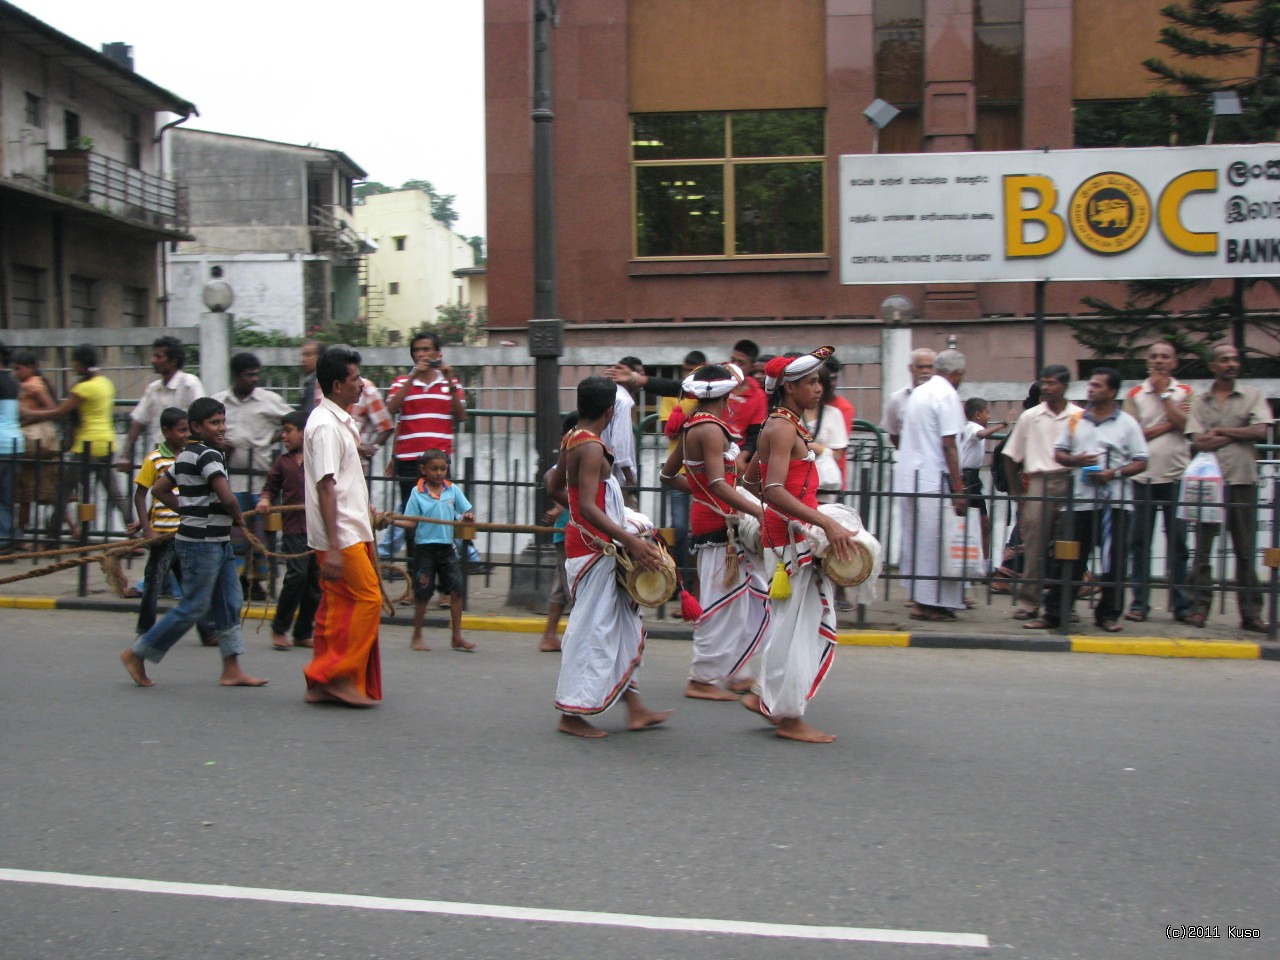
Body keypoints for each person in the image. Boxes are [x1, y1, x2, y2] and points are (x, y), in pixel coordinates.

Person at [741, 347, 856, 744]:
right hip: (791, 541)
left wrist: (805, 515)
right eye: (811, 382)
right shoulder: (784, 427)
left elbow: (751, 482)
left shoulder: (780, 423)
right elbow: (771, 489)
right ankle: (787, 716)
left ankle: (768, 698)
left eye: (819, 380)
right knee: (796, 630)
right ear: (789, 388)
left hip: (788, 534)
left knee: (790, 626)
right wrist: (823, 520)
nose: (819, 388)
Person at [547, 376, 671, 738]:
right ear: (611, 410)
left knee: (622, 628)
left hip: (594, 544)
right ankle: (571, 715)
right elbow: (586, 505)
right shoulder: (590, 448)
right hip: (595, 549)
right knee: (593, 633)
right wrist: (629, 541)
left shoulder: (571, 438)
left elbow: (555, 487)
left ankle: (635, 709)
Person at [118, 397, 268, 689]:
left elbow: (160, 489)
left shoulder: (186, 455)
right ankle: (138, 653)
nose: (221, 428)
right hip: (203, 544)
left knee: (230, 601)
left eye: (223, 422)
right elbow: (226, 496)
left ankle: (231, 667)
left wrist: (188, 510)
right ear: (197, 427)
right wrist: (238, 518)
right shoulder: (210, 456)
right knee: (194, 606)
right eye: (214, 423)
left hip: (213, 541)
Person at [660, 364, 768, 701]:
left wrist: (701, 491)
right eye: (734, 392)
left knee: (753, 600)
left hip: (717, 520)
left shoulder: (696, 424)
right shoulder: (709, 429)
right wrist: (758, 511)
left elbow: (669, 477)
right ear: (725, 394)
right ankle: (702, 679)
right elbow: (720, 483)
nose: (736, 398)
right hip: (720, 527)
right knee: (723, 604)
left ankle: (737, 671)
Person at [1023, 368, 1148, 633]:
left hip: (1115, 502)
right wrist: (1077, 461)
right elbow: (1059, 453)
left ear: (1112, 391)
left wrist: (1114, 473)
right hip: (1080, 500)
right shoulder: (1077, 420)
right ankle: (1055, 613)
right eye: (1090, 385)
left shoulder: (1127, 423)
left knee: (1114, 561)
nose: (1091, 390)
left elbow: (1141, 461)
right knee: (1067, 558)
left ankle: (1108, 614)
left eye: (1097, 386)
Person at [303, 345, 383, 706]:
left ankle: (323, 678)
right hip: (343, 535)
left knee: (336, 608)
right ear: (337, 385)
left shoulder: (338, 422)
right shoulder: (324, 426)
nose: (361, 385)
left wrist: (359, 451)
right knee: (369, 599)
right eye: (355, 379)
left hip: (349, 527)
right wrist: (334, 547)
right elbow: (325, 485)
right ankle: (334, 675)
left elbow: (338, 476)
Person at [1184, 343, 1272, 632]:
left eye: (1234, 359)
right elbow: (1198, 441)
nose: (1231, 364)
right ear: (1213, 365)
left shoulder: (1253, 396)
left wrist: (1220, 431)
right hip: (1208, 484)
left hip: (1242, 479)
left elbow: (1260, 430)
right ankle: (1199, 608)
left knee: (1245, 549)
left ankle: (1251, 613)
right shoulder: (1200, 400)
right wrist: (1236, 434)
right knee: (1203, 550)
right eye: (1224, 360)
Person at [126, 407, 217, 646]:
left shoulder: (191, 456)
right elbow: (141, 495)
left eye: (188, 429)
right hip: (163, 536)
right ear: (166, 432)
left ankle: (208, 631)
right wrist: (146, 528)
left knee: (193, 585)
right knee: (154, 583)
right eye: (181, 430)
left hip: (187, 532)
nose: (186, 434)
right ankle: (145, 630)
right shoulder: (154, 459)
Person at [1001, 366, 1082, 621]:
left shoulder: (1079, 416)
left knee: (1067, 546)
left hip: (1070, 480)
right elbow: (1011, 456)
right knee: (1034, 544)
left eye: (1052, 383)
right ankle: (1029, 601)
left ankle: (1064, 604)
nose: (1047, 388)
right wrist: (1017, 494)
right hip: (1038, 480)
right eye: (1044, 383)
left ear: (1065, 386)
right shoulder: (1030, 417)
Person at [894, 349, 968, 622]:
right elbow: (949, 444)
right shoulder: (946, 395)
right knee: (934, 544)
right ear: (957, 373)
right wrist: (959, 489)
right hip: (931, 478)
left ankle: (921, 598)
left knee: (916, 542)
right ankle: (930, 603)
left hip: (910, 476)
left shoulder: (920, 392)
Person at [23, 344, 127, 535]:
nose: (72, 365)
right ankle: (132, 527)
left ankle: (52, 532)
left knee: (63, 489)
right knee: (115, 492)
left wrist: (29, 413)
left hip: (86, 444)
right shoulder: (106, 383)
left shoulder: (82, 388)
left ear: (81, 363)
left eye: (74, 361)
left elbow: (60, 412)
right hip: (107, 442)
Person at [1122, 341, 1192, 624]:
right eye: (1154, 357)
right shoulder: (1135, 393)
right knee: (1140, 543)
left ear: (1174, 362)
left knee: (1178, 543)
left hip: (1177, 476)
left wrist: (1165, 396)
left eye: (1166, 356)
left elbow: (1189, 425)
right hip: (1143, 478)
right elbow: (1133, 436)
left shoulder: (1186, 392)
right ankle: (1139, 603)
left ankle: (1181, 605)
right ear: (1147, 362)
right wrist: (1170, 423)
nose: (1160, 361)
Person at [213, 352, 293, 599]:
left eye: (257, 374)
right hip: (229, 479)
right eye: (249, 375)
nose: (254, 379)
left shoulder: (269, 401)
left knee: (261, 536)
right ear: (237, 376)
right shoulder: (218, 402)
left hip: (260, 479)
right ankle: (236, 581)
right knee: (234, 535)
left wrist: (273, 438)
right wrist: (220, 443)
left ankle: (260, 583)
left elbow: (295, 421)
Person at [383, 332, 467, 560]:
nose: (420, 354)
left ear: (437, 353)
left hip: (439, 461)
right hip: (409, 460)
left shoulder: (452, 382)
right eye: (416, 350)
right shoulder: (402, 382)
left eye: (426, 349)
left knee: (443, 517)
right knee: (412, 520)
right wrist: (412, 377)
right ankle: (417, 578)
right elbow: (391, 408)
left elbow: (460, 416)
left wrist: (449, 380)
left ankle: (444, 582)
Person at [396, 448, 477, 653]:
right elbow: (411, 522)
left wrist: (468, 518)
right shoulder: (417, 492)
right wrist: (391, 521)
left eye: (443, 469)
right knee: (423, 593)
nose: (439, 473)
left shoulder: (452, 490)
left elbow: (466, 511)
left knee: (457, 589)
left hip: (447, 549)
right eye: (434, 469)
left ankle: (456, 636)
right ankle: (417, 636)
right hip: (425, 549)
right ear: (423, 469)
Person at [256, 411, 320, 651]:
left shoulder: (317, 459)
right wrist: (264, 500)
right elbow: (269, 488)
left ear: (304, 432)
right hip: (294, 527)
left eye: (289, 431)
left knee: (315, 582)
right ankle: (279, 627)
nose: (284, 436)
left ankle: (303, 631)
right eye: (283, 431)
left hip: (317, 528)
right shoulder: (282, 462)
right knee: (296, 576)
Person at [115, 335, 204, 479]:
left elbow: (202, 419)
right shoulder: (153, 389)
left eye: (158, 356)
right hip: (161, 458)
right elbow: (137, 422)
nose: (153, 360)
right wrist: (125, 455)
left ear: (173, 361)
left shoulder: (190, 385)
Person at [658, 351, 705, 585]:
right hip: (679, 470)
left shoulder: (707, 396)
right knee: (678, 528)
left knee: (699, 528)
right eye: (688, 369)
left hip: (700, 472)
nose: (690, 373)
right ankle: (679, 580)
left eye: (695, 369)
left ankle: (695, 580)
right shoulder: (675, 395)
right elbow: (668, 426)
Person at [538, 412, 579, 654]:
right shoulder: (568, 461)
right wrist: (559, 507)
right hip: (567, 534)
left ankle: (549, 635)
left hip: (566, 532)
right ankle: (575, 639)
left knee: (560, 588)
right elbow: (550, 477)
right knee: (573, 589)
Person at [12, 351, 58, 543]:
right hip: (35, 445)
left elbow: (51, 408)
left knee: (28, 493)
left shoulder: (33, 385)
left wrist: (29, 414)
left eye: (18, 369)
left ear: (31, 368)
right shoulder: (31, 384)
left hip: (33, 443)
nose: (15, 373)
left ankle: (19, 534)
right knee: (39, 492)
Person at [960, 397, 1002, 571]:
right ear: (978, 415)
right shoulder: (973, 427)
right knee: (963, 522)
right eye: (987, 412)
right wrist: (1002, 425)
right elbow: (981, 434)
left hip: (974, 478)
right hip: (966, 477)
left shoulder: (973, 426)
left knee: (983, 522)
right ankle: (968, 562)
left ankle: (986, 564)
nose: (989, 416)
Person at [600, 355, 641, 495]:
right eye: (638, 374)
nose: (641, 378)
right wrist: (629, 478)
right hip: (616, 479)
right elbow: (620, 441)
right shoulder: (623, 401)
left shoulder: (610, 394)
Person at [881, 348, 936, 448]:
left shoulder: (943, 398)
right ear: (911, 368)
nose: (925, 371)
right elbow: (893, 435)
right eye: (920, 367)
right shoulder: (896, 399)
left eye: (930, 367)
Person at [0, 341, 22, 553]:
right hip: (14, 443)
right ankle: (7, 537)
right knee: (7, 497)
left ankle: (5, 538)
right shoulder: (12, 381)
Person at [297, 339, 324, 415]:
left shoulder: (319, 382)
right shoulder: (311, 380)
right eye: (303, 355)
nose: (303, 360)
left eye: (308, 355)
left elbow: (309, 414)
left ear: (320, 357)